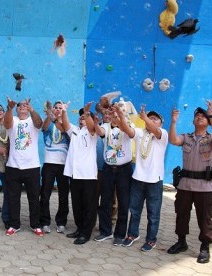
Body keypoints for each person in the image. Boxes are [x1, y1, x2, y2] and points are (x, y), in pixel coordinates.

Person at [167, 100, 212, 264]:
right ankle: (181, 241)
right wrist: (174, 122)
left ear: (208, 121)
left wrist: (211, 115)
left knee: (204, 218)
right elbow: (173, 140)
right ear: (193, 121)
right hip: (185, 184)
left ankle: (205, 247)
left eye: (203, 116)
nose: (199, 117)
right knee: (181, 214)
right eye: (197, 115)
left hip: (204, 186)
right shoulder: (187, 137)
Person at [116, 106, 168, 251]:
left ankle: (151, 240)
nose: (151, 120)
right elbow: (128, 129)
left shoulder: (162, 134)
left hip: (154, 181)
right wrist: (121, 116)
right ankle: (132, 234)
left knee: (153, 213)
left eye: (154, 119)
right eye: (149, 118)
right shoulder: (140, 133)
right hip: (138, 178)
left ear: (160, 123)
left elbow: (155, 130)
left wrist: (144, 118)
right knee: (134, 210)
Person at [94, 103, 133, 246]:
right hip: (108, 169)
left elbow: (129, 132)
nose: (114, 118)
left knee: (123, 202)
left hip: (124, 169)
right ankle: (105, 231)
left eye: (117, 116)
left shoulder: (127, 126)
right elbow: (100, 132)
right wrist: (96, 122)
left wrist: (121, 116)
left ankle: (120, 234)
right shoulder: (106, 127)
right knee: (105, 201)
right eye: (113, 116)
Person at [3, 98, 44, 237]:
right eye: (19, 105)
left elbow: (40, 123)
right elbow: (7, 124)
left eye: (25, 105)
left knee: (33, 198)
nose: (22, 107)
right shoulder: (12, 119)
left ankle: (36, 225)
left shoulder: (33, 120)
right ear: (16, 108)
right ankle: (14, 225)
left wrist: (32, 110)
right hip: (13, 165)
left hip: (32, 166)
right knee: (13, 198)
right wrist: (9, 108)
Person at [62, 102, 98, 244]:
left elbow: (91, 126)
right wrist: (64, 111)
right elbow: (65, 125)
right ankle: (79, 228)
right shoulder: (76, 130)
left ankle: (86, 232)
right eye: (80, 117)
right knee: (77, 204)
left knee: (89, 205)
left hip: (88, 175)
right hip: (74, 174)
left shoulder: (92, 132)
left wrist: (88, 113)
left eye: (84, 117)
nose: (81, 119)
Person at [39, 101, 70, 234]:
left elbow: (65, 130)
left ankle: (61, 222)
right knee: (45, 195)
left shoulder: (67, 125)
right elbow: (44, 127)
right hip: (49, 164)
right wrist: (49, 115)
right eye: (55, 108)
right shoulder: (49, 123)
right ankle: (45, 222)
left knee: (63, 196)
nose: (57, 109)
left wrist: (60, 116)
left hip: (64, 165)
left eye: (60, 108)